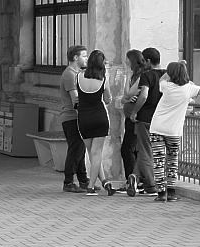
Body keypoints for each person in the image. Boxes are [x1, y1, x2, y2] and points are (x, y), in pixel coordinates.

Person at [148, 61, 200, 202]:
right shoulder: (189, 89)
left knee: (158, 161)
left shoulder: (165, 86)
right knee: (172, 160)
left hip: (157, 127)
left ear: (171, 74)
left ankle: (161, 193)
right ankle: (171, 193)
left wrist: (173, 69)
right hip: (173, 131)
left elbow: (162, 79)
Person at [128, 47, 165, 197]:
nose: (143, 63)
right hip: (161, 118)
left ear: (149, 61)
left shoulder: (147, 76)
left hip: (146, 118)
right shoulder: (166, 75)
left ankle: (151, 184)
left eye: (144, 60)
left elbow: (143, 95)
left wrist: (134, 112)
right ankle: (136, 177)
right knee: (157, 151)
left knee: (144, 150)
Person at [77, 50, 114, 196]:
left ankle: (104, 181)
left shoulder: (78, 77)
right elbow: (107, 99)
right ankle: (91, 187)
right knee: (97, 153)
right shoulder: (103, 79)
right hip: (99, 116)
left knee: (91, 152)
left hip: (83, 117)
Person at [59, 45, 90, 193]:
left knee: (80, 150)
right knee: (75, 150)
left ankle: (83, 180)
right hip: (72, 117)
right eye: (84, 56)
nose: (86, 59)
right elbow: (75, 100)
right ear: (76, 57)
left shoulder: (77, 73)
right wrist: (83, 118)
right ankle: (68, 181)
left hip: (74, 117)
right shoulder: (70, 75)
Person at [120, 50, 149, 194]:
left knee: (127, 148)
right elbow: (124, 98)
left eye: (127, 60)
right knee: (132, 149)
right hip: (129, 117)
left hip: (135, 118)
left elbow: (128, 93)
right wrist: (125, 98)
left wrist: (127, 76)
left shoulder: (141, 76)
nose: (125, 62)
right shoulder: (133, 76)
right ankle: (135, 179)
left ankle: (132, 180)